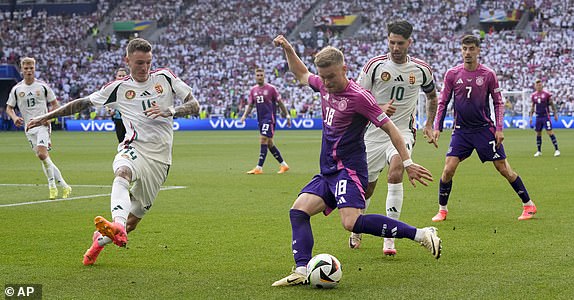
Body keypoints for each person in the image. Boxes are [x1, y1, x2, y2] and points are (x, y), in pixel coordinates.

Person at [271, 35, 441, 287]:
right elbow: (302, 74)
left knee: (350, 222)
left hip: (348, 171)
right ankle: (301, 270)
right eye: (324, 77)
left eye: (331, 76)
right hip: (328, 171)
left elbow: (392, 130)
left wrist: (407, 162)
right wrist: (288, 49)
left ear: (344, 69)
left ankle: (421, 234)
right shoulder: (322, 86)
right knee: (298, 211)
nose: (326, 82)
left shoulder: (360, 97)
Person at [26, 38, 200, 266]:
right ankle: (116, 222)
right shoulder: (117, 89)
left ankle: (99, 242)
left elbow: (194, 105)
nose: (144, 68)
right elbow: (82, 103)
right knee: (123, 172)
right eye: (139, 63)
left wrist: (171, 110)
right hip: (133, 147)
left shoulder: (165, 78)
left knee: (132, 223)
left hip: (160, 161)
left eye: (148, 62)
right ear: (127, 60)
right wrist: (45, 116)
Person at [349, 19, 439, 255]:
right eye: (391, 43)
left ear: (410, 42)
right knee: (367, 188)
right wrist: (378, 107)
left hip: (403, 132)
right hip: (373, 134)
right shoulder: (375, 66)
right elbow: (356, 99)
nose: (395, 47)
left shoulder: (421, 69)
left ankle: (390, 237)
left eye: (400, 43)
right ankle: (357, 228)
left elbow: (432, 97)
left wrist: (429, 124)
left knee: (397, 168)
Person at [431, 35, 536, 222]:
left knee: (503, 168)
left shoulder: (488, 74)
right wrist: (437, 127)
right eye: (464, 49)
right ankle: (442, 210)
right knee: (448, 169)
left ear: (478, 50)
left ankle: (528, 205)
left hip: (483, 129)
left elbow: (498, 102)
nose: (467, 53)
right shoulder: (452, 74)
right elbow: (443, 102)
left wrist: (499, 128)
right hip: (461, 131)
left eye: (471, 48)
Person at [6, 57, 72, 200]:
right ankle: (65, 186)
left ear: (35, 69)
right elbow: (9, 108)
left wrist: (49, 118)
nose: (29, 71)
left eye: (31, 68)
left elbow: (55, 105)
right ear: (22, 70)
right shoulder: (17, 89)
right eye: (26, 68)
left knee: (42, 155)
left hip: (42, 125)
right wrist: (15, 118)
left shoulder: (42, 86)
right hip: (28, 128)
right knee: (44, 159)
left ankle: (52, 186)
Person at [240, 68, 291, 174]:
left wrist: (287, 115)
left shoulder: (271, 89)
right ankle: (284, 165)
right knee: (269, 143)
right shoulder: (253, 90)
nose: (259, 77)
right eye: (257, 75)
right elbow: (250, 105)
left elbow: (280, 103)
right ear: (255, 76)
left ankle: (259, 167)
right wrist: (244, 116)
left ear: (264, 76)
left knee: (263, 139)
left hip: (269, 118)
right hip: (260, 119)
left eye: (261, 75)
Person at [529, 79, 560, 157]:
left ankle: (557, 150)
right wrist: (531, 117)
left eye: (540, 85)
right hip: (538, 117)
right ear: (535, 86)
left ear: (542, 85)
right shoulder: (534, 95)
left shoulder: (546, 94)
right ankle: (539, 151)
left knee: (550, 132)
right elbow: (533, 106)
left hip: (546, 116)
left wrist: (555, 114)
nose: (539, 86)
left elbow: (552, 104)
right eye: (537, 85)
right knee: (538, 133)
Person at [110, 67, 128, 143]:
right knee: (121, 141)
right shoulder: (111, 88)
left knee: (132, 141)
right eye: (120, 76)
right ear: (116, 77)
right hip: (118, 119)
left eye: (123, 76)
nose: (121, 77)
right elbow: (106, 102)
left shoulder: (132, 87)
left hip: (130, 118)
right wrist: (110, 110)